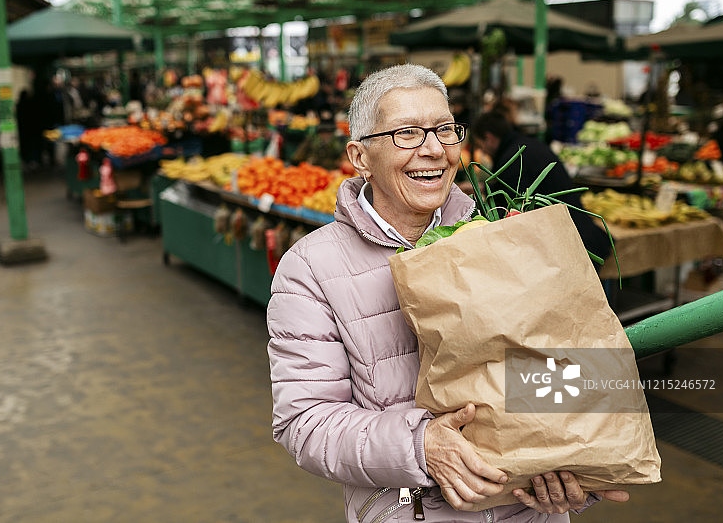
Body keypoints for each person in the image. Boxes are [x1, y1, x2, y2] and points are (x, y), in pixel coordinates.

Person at [267, 64, 628, 523]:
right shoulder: (312, 269)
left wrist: (573, 466)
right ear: (359, 157)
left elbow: (557, 367)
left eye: (444, 129)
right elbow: (305, 422)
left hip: (526, 511)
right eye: (407, 134)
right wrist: (419, 446)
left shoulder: (504, 231)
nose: (434, 149)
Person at [471, 110, 613, 266]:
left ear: (489, 138)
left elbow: (507, 212)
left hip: (574, 245)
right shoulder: (525, 145)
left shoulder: (512, 159)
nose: (482, 151)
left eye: (480, 145)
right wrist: (484, 188)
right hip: (581, 234)